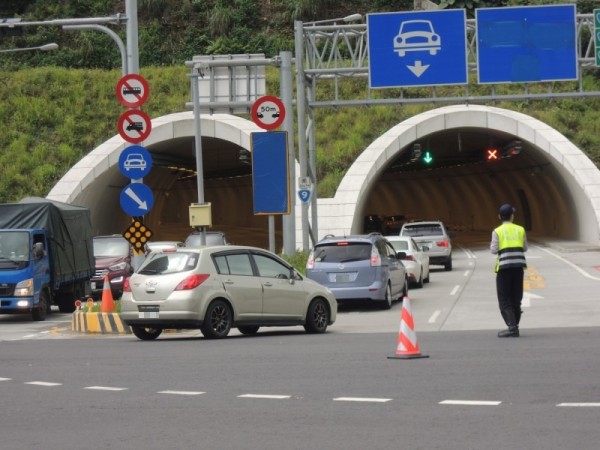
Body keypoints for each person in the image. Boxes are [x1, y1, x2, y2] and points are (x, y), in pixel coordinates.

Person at [490, 204, 527, 338]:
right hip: (518, 267)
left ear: (499, 217)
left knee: (504, 298)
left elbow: (493, 250)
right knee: (516, 297)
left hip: (504, 268)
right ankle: (515, 325)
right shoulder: (520, 229)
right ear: (512, 216)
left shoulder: (497, 231)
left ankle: (512, 328)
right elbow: (525, 248)